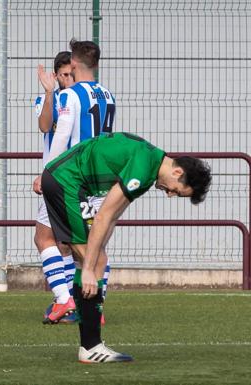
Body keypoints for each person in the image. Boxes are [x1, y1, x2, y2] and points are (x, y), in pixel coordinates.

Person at [41, 132, 211, 363]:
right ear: (177, 172)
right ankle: (90, 348)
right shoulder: (143, 168)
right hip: (65, 181)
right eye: (176, 190)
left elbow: (112, 217)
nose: (170, 195)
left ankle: (91, 345)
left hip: (66, 180)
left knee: (97, 259)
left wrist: (96, 255)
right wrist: (90, 267)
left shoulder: (149, 167)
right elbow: (103, 216)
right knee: (93, 263)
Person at [39, 39, 116, 324]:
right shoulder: (108, 95)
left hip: (72, 179)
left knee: (44, 236)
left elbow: (62, 136)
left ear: (74, 63)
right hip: (100, 180)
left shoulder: (71, 95)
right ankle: (95, 307)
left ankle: (65, 300)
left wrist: (47, 173)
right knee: (95, 246)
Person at [32, 51, 77, 324]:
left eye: (71, 73)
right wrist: (49, 94)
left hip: (61, 179)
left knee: (45, 238)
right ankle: (71, 299)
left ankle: (65, 299)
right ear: (56, 76)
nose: (67, 79)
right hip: (79, 180)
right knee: (67, 244)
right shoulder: (52, 98)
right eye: (63, 75)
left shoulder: (77, 99)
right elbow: (44, 125)